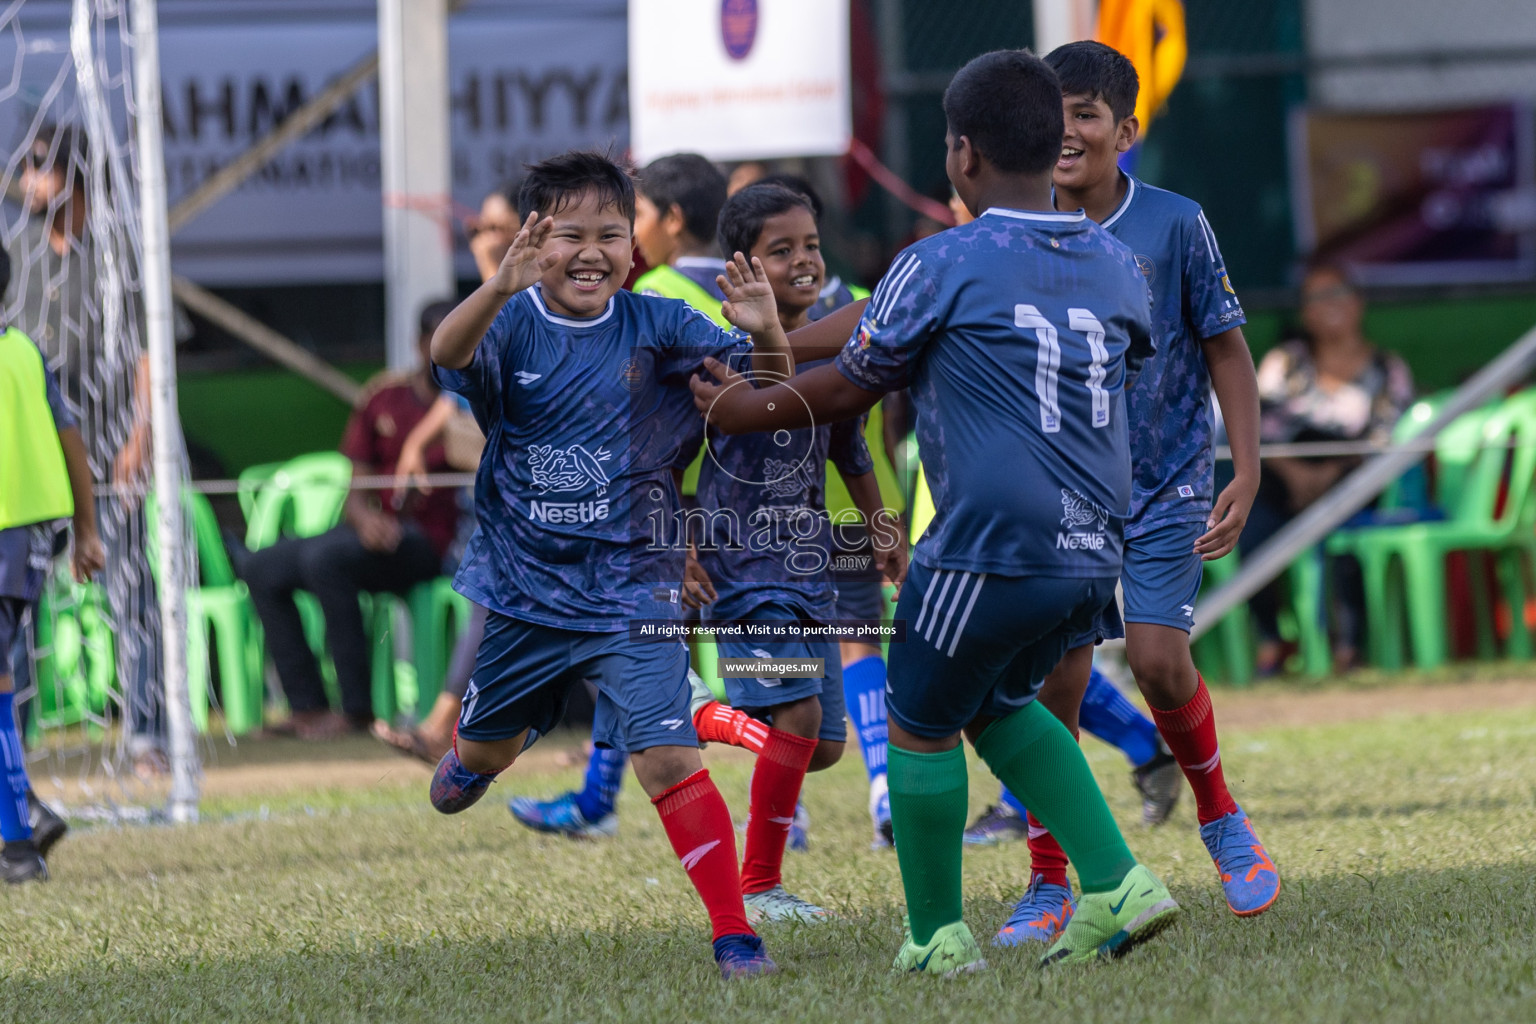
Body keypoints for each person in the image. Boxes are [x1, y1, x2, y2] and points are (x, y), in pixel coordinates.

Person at [692, 49, 1179, 973]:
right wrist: (776, 347)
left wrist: (735, 404)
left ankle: (935, 938)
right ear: (1055, 144)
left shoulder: (939, 259)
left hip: (990, 541)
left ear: (961, 154)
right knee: (996, 704)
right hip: (1091, 545)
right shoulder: (1119, 264)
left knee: (919, 719)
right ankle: (1120, 884)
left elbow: (850, 391)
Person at [426, 150, 795, 979]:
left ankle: (735, 934)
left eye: (612, 234)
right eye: (570, 235)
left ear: (637, 246)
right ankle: (492, 741)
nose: (592, 252)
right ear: (533, 240)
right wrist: (494, 286)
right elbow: (447, 356)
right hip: (524, 594)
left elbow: (770, 393)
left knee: (666, 756)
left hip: (634, 584)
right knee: (474, 764)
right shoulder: (511, 320)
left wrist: (768, 331)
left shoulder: (660, 323)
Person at [989, 40, 1278, 946]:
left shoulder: (1175, 224)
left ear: (1126, 130)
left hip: (1166, 485)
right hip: (1058, 494)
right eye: (1052, 115)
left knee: (1156, 660)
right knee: (1057, 687)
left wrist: (1247, 464)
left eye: (1083, 114)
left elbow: (1226, 345)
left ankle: (1221, 818)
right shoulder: (1010, 229)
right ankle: (1049, 879)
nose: (1065, 133)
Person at [676, 182, 901, 921]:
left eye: (811, 245)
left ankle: (698, 711)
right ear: (740, 268)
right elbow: (672, 457)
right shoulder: (718, 355)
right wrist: (681, 545)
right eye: (782, 251)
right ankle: (760, 887)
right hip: (739, 568)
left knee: (822, 744)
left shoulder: (838, 358)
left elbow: (852, 450)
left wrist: (881, 533)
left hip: (810, 572)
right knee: (797, 720)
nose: (805, 261)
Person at [506, 152, 734, 838]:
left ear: (663, 221)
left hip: (666, 507)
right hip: (741, 498)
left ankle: (602, 799)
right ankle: (599, 798)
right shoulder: (745, 284)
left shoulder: (649, 296)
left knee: (643, 655)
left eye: (623, 227)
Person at [9, 123, 164, 774]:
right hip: (34, 464)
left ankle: (147, 735)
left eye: (39, 167)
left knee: (132, 593)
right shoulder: (16, 254)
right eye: (23, 168)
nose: (26, 181)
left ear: (74, 175)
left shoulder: (118, 255)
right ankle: (10, 744)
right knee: (15, 604)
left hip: (103, 453)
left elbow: (146, 357)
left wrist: (140, 438)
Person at [244, 301, 460, 739]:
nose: (447, 351)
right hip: (374, 533)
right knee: (262, 566)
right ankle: (306, 706)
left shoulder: (476, 400)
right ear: (420, 344)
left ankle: (357, 711)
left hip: (436, 540)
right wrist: (366, 520)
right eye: (438, 340)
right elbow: (355, 490)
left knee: (327, 560)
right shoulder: (385, 396)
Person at [374, 182, 526, 762]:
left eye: (493, 229)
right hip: (505, 507)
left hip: (548, 498)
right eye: (475, 231)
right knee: (504, 604)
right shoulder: (490, 304)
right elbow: (455, 389)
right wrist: (416, 442)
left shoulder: (532, 306)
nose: (482, 241)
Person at [1242, 261, 1414, 672]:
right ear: (1305, 312)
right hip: (1285, 477)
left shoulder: (1388, 369)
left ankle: (1350, 648)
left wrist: (1329, 474)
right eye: (1315, 297)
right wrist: (1297, 473)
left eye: (1336, 292)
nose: (1328, 305)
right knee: (1249, 529)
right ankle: (1273, 639)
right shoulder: (1286, 362)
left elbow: (1384, 438)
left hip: (1351, 481)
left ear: (1357, 303)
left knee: (1350, 539)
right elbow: (1259, 426)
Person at [0, 243, 105, 881]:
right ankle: (25, 817)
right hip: (30, 536)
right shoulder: (23, 350)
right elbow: (72, 441)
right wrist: (86, 528)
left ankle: (20, 839)